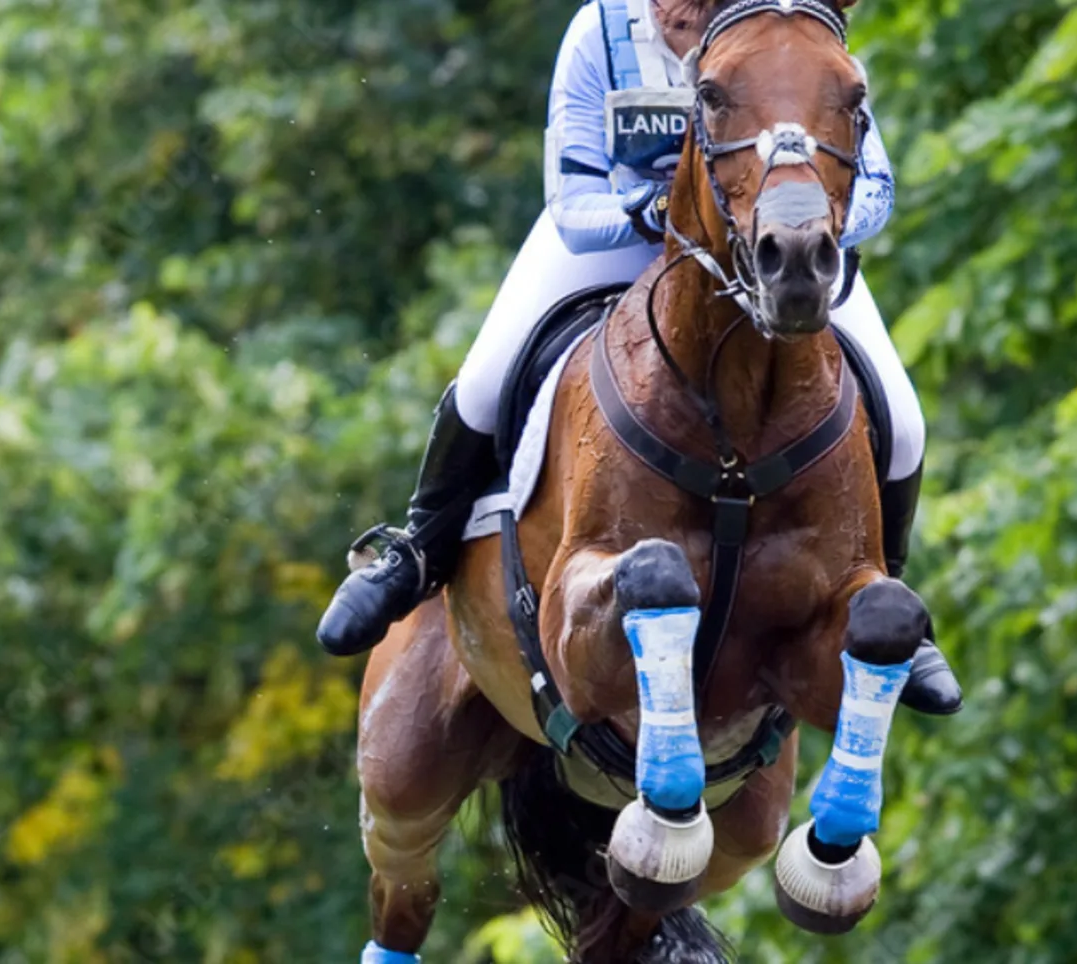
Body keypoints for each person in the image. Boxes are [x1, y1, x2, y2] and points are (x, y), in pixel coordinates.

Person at [315, 0, 961, 716]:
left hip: (771, 248)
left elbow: (875, 183)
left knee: (902, 419)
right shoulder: (599, 32)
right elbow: (573, 199)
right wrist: (663, 214)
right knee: (486, 379)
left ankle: (886, 596)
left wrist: (821, 221)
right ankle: (419, 552)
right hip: (619, 238)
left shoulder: (787, 32)